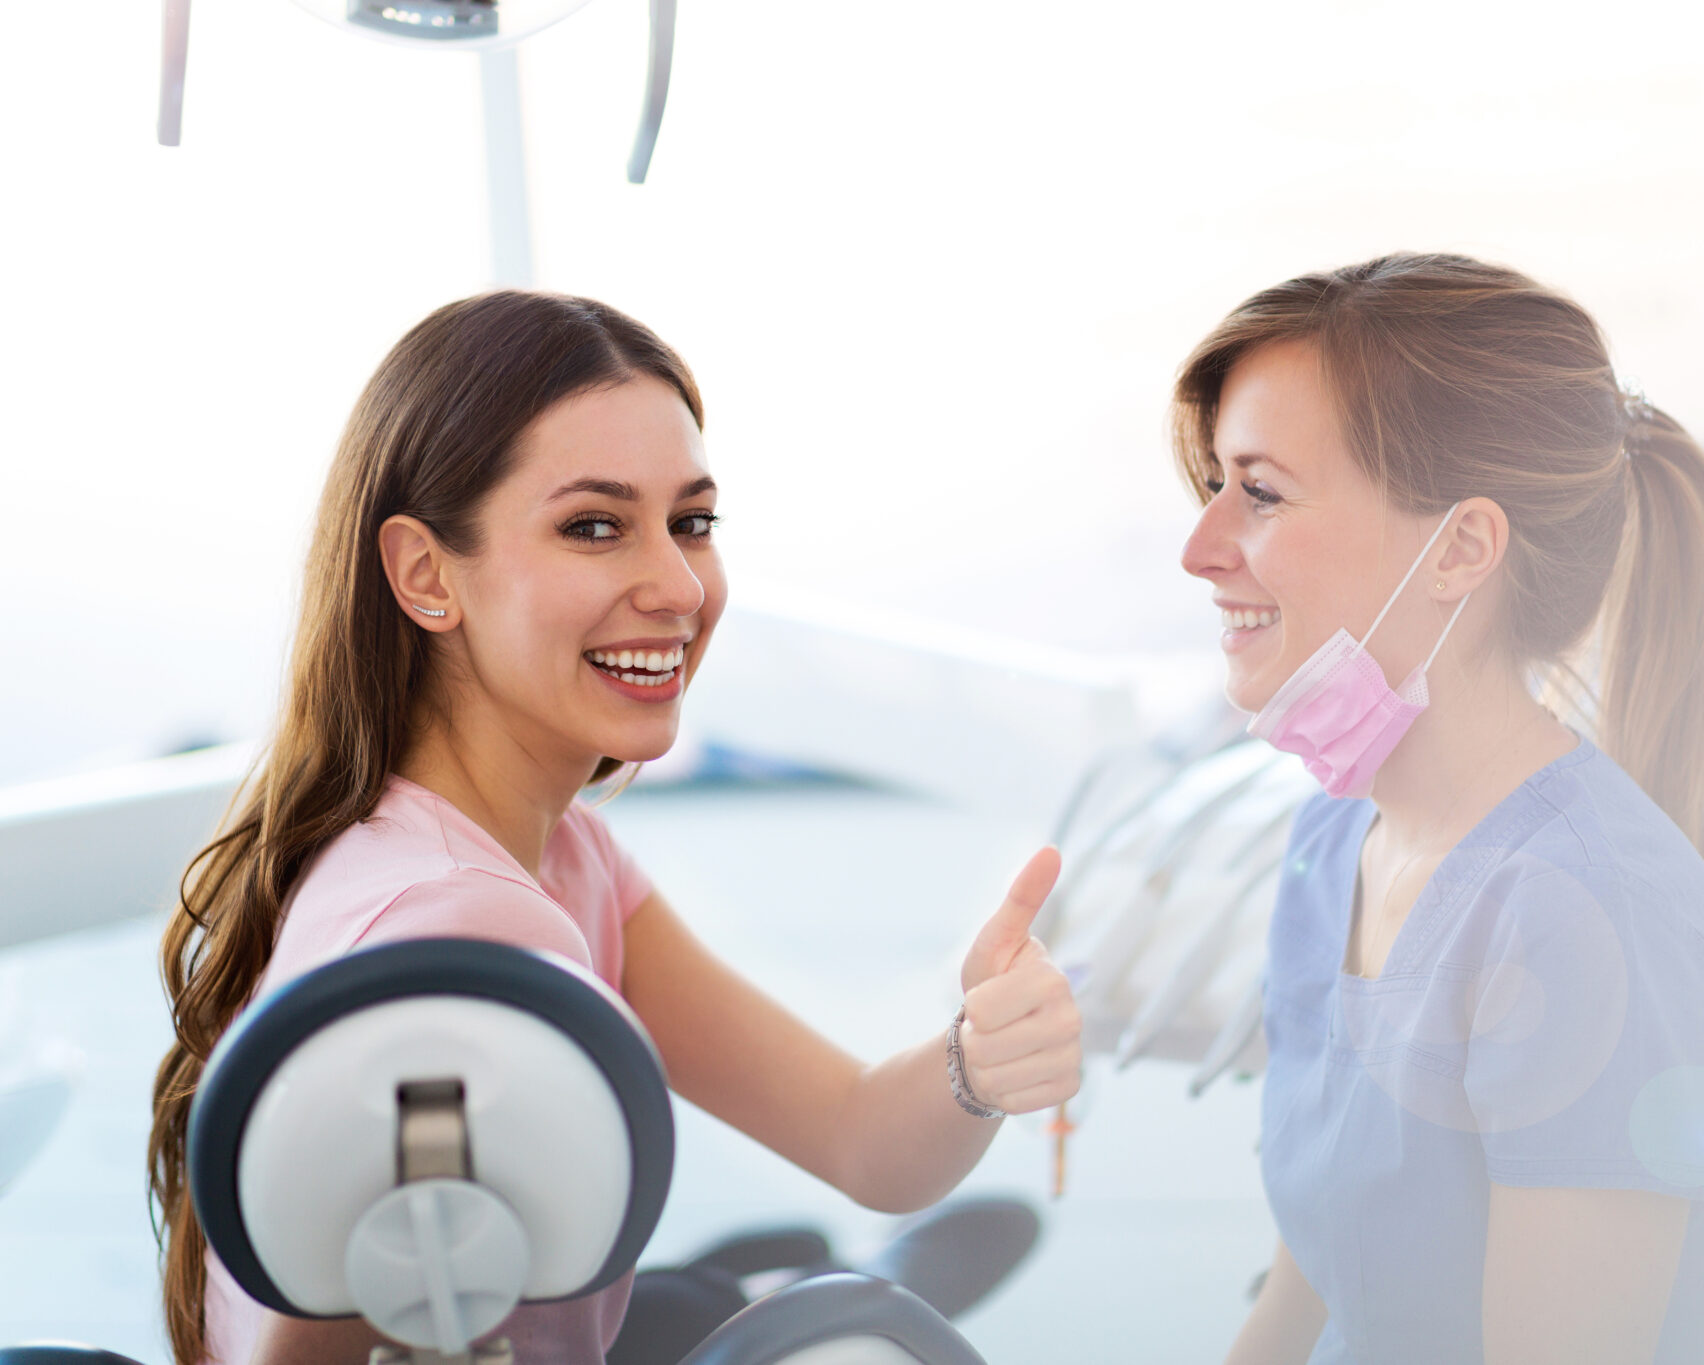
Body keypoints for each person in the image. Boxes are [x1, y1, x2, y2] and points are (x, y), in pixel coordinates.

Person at [146, 291, 1083, 1365]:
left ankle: (742, 1286)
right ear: (425, 575)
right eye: (594, 527)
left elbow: (861, 1135)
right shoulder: (469, 934)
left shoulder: (548, 851)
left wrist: (977, 1059)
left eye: (692, 523)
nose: (679, 586)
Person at [1176, 254, 1704, 1365]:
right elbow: (1313, 1274)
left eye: (1259, 492)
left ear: (1459, 549)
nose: (1198, 549)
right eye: (1215, 484)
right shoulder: (1334, 842)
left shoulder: (1591, 918)